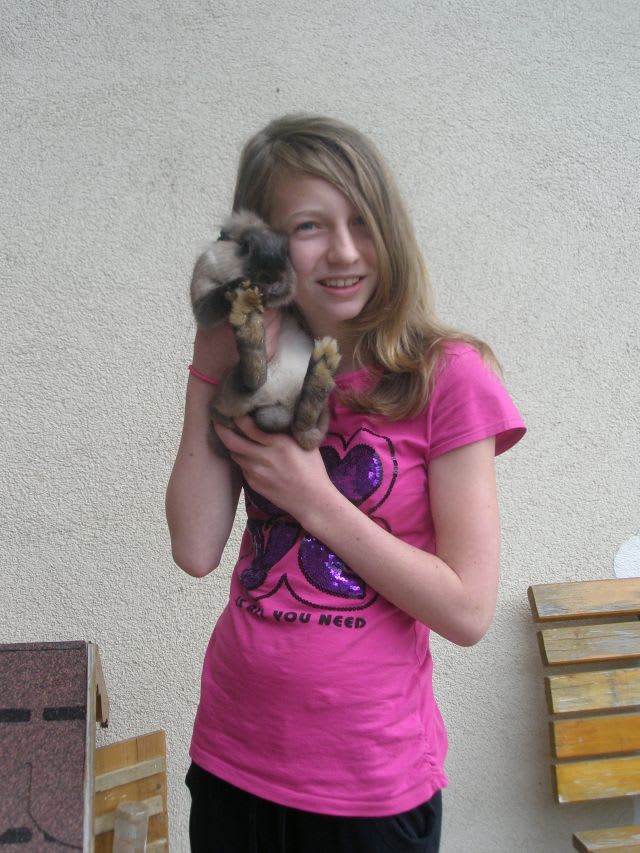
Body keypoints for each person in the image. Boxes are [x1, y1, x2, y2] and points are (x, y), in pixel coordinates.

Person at [166, 114, 526, 853]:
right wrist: (210, 360)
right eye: (309, 226)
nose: (345, 251)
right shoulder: (259, 372)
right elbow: (195, 549)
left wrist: (314, 499)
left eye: (363, 220)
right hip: (232, 754)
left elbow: (467, 610)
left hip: (367, 786)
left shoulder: (446, 376)